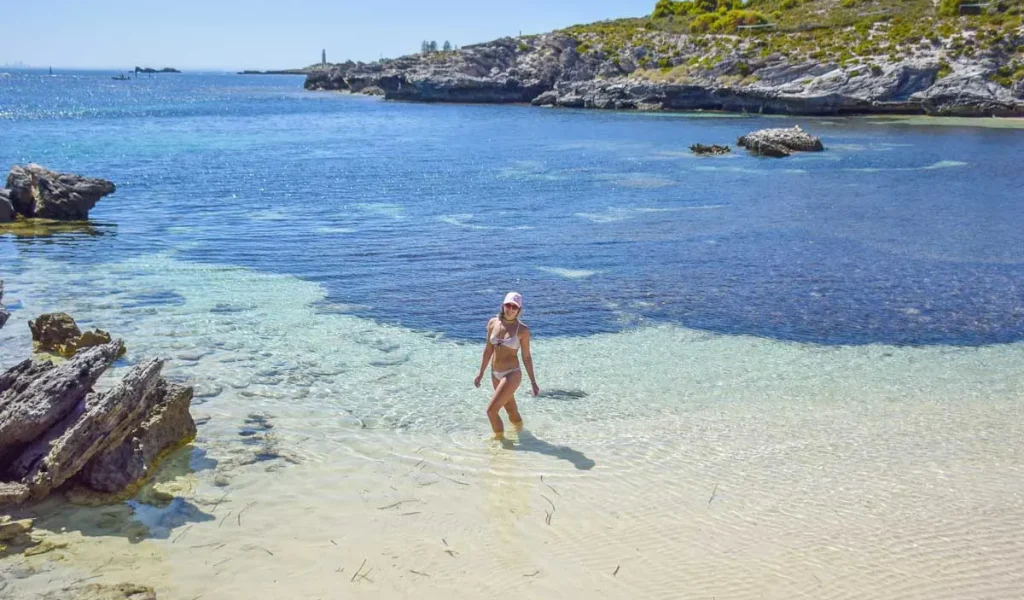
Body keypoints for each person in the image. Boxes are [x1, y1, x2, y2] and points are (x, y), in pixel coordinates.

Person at [474, 291, 539, 439]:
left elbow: (526, 357)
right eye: (507, 305)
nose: (510, 309)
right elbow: (488, 350)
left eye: (514, 307)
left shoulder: (523, 330)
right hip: (495, 373)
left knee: (491, 411)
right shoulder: (492, 323)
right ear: (503, 305)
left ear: (519, 310)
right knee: (510, 409)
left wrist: (533, 382)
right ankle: (524, 434)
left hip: (512, 373)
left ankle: (500, 443)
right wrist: (481, 373)